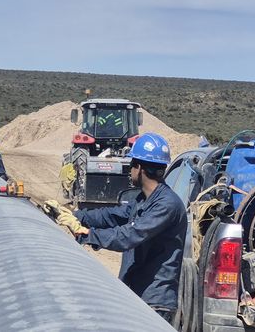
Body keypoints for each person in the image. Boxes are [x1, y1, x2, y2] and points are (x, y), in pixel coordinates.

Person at [44, 133, 186, 323]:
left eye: (131, 165)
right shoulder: (144, 200)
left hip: (155, 301)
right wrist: (75, 215)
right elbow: (112, 216)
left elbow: (129, 236)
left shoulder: (166, 205)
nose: (129, 171)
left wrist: (87, 234)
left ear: (140, 168)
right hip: (138, 293)